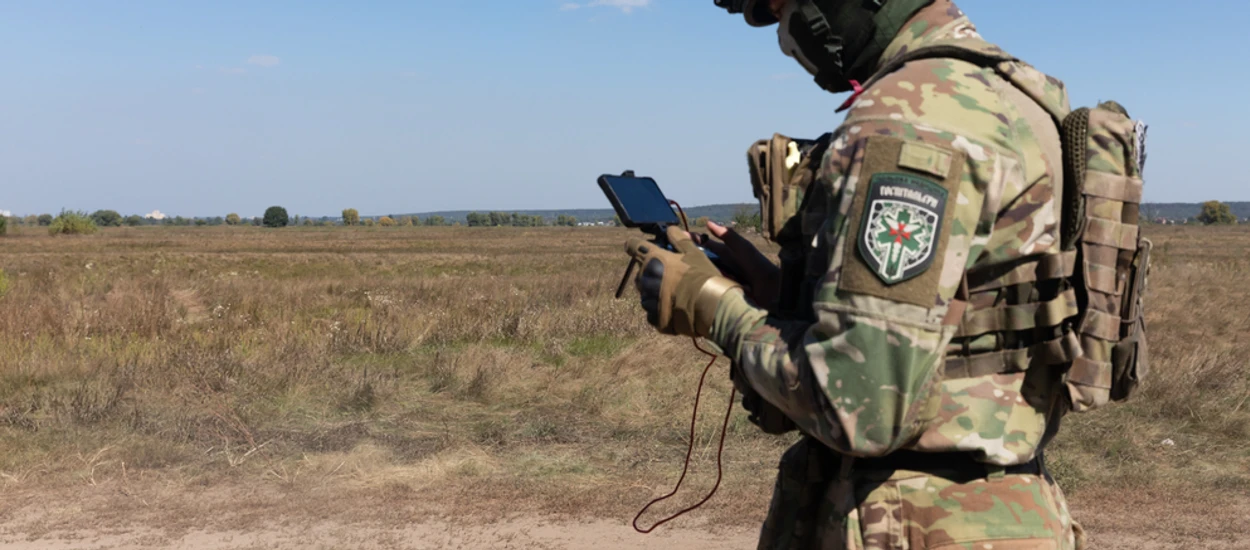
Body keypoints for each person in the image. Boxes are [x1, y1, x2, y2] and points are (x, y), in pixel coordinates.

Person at [624, 0, 1090, 547]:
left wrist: (711, 305)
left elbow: (861, 402)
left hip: (913, 520)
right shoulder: (1020, 94)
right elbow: (966, 314)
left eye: (783, 10)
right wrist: (777, 291)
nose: (786, 39)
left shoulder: (914, 113)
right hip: (1003, 511)